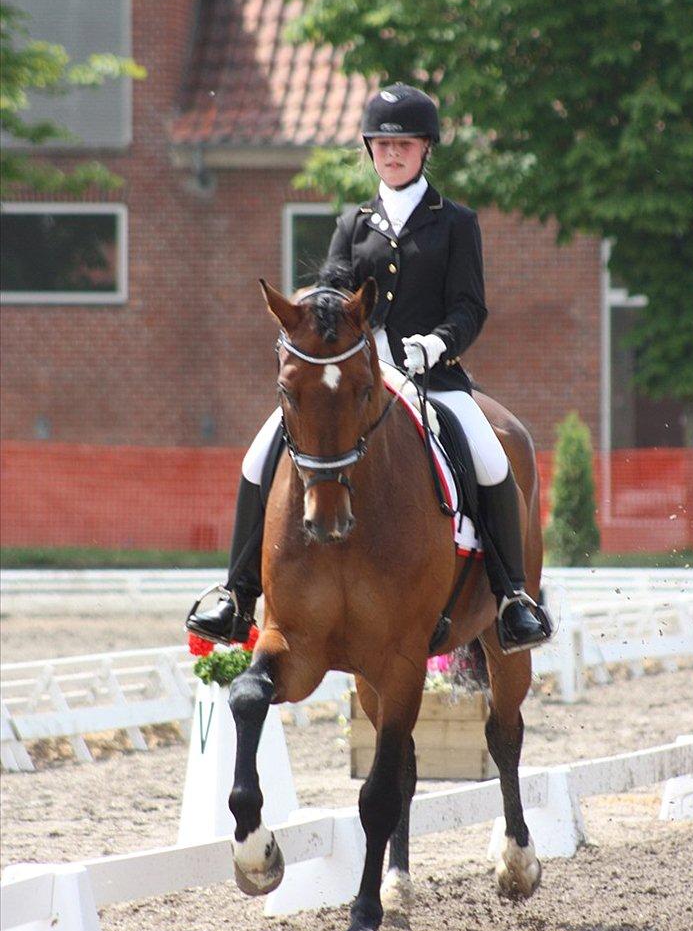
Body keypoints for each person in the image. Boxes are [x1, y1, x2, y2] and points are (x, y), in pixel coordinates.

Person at [186, 83, 547, 651]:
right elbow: (332, 285)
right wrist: (318, 316)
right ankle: (236, 595)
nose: (393, 153)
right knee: (259, 456)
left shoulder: (454, 222)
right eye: (382, 143)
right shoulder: (354, 223)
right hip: (358, 373)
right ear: (369, 149)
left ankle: (511, 598)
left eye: (404, 143)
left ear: (426, 148)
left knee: (492, 458)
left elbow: (470, 307)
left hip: (433, 373)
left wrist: (437, 343)